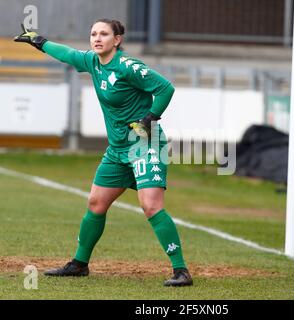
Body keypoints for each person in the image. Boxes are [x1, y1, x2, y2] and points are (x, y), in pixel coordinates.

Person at [14, 19, 193, 287]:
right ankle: (79, 264)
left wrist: (149, 117)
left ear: (117, 40)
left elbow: (165, 88)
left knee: (151, 205)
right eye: (93, 33)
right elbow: (69, 54)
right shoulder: (93, 62)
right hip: (118, 148)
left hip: (144, 144)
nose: (97, 38)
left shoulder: (128, 66)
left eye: (104, 34)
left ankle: (181, 271)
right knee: (96, 203)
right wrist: (39, 41)